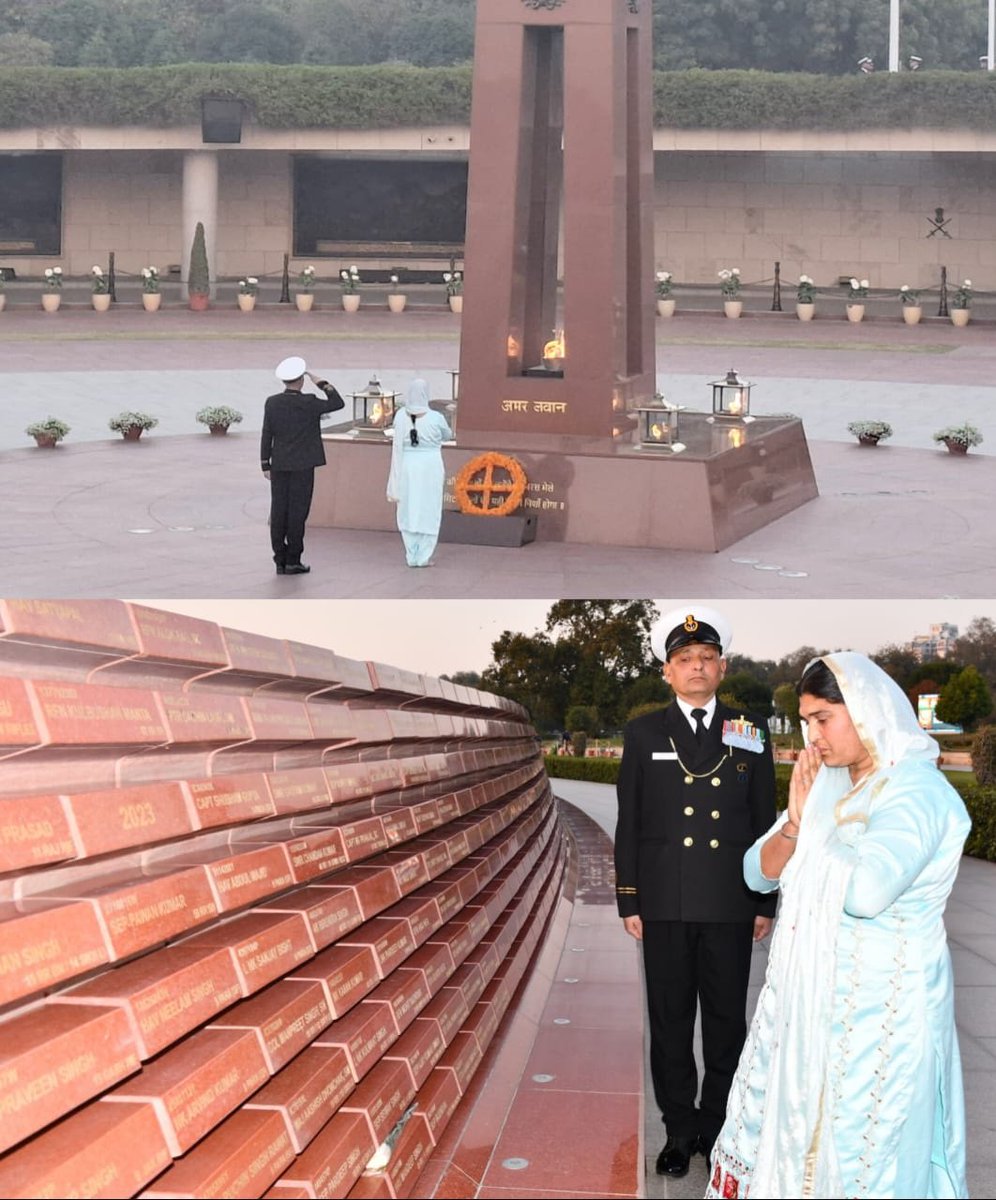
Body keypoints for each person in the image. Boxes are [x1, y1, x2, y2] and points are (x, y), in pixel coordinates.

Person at [707, 652, 970, 1200]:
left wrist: (815, 834)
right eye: (806, 722)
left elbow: (868, 893)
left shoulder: (915, 790)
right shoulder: (826, 783)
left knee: (866, 1157)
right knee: (801, 1146)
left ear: (867, 711)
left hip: (883, 1017)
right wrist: (797, 823)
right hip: (810, 1010)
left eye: (823, 718)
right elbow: (756, 873)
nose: (813, 737)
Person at [614, 607, 777, 1180]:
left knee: (728, 1022)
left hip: (731, 903)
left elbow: (765, 821)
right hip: (665, 904)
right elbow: (629, 821)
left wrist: (765, 901)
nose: (697, 667)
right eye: (685, 660)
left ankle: (718, 1127)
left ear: (723, 667)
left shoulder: (751, 731)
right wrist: (629, 898)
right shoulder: (644, 733)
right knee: (671, 1021)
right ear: (667, 672)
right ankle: (678, 1131)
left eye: (707, 658)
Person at [261, 356, 344, 575]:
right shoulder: (309, 403)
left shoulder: (272, 402)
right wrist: (321, 382)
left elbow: (266, 433)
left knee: (278, 510)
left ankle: (279, 558)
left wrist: (264, 464)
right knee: (298, 512)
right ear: (301, 380)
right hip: (303, 465)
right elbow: (338, 402)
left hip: (278, 464)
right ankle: (293, 559)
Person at [385, 379, 452, 568]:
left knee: (408, 506)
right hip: (430, 465)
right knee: (429, 507)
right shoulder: (435, 417)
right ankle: (423, 556)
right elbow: (447, 434)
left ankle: (411, 554)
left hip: (407, 465)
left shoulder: (399, 416)